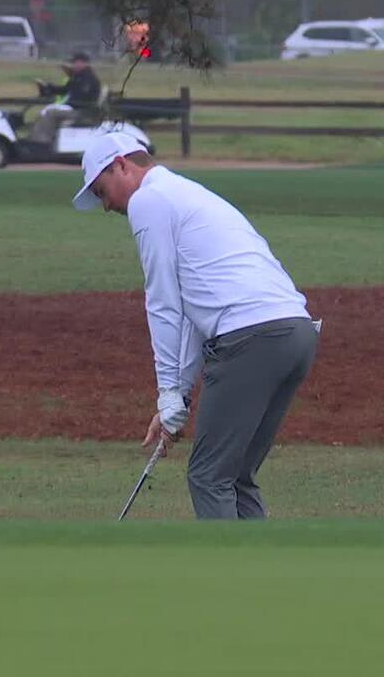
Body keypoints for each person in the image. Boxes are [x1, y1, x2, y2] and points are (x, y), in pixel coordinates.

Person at [73, 132, 319, 520]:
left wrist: (168, 392)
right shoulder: (186, 193)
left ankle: (223, 578)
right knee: (235, 475)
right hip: (295, 335)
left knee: (208, 476)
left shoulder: (149, 200)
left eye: (103, 192)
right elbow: (192, 315)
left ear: (122, 165)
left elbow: (163, 301)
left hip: (251, 338)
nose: (107, 206)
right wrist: (179, 396)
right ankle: (264, 577)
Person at [29, 52, 103, 145]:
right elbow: (64, 90)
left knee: (51, 113)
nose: (73, 65)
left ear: (83, 63)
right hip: (76, 108)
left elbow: (83, 98)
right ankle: (43, 138)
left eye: (75, 63)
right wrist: (47, 87)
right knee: (47, 110)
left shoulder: (89, 79)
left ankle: (41, 142)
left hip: (82, 111)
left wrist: (66, 104)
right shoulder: (78, 77)